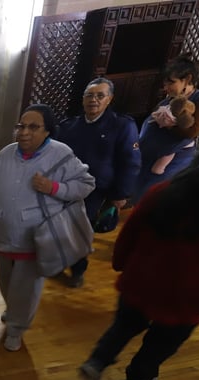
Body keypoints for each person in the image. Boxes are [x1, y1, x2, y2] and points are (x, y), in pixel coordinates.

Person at [78, 127, 199, 380]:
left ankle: (97, 362)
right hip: (189, 296)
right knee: (162, 343)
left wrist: (121, 261)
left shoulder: (166, 191)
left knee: (123, 327)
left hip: (142, 280)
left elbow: (132, 230)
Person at [0, 104, 95, 352]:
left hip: (36, 236)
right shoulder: (6, 153)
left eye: (33, 127)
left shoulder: (61, 154)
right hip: (4, 232)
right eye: (21, 126)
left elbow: (86, 183)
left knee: (26, 287)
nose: (24, 132)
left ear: (47, 131)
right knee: (6, 280)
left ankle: (17, 328)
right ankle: (13, 310)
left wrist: (53, 187)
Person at [56, 78, 141, 288]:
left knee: (80, 231)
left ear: (109, 99)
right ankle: (56, 262)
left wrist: (120, 195)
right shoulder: (70, 126)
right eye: (89, 95)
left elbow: (130, 162)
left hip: (97, 191)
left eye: (100, 96)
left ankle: (77, 270)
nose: (93, 100)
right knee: (58, 228)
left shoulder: (121, 126)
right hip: (66, 188)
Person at [132, 55, 199, 204]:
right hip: (148, 156)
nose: (166, 87)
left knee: (153, 199)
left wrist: (168, 124)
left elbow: (192, 132)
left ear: (187, 79)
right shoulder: (170, 99)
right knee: (138, 196)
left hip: (172, 161)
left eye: (171, 82)